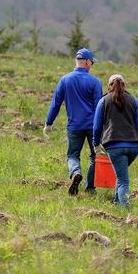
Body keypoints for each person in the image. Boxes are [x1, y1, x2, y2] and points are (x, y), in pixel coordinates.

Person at [44, 48, 103, 195]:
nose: (92, 65)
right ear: (87, 62)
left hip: (74, 126)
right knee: (95, 156)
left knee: (72, 155)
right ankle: (90, 188)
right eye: (92, 63)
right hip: (92, 126)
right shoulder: (95, 82)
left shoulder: (65, 80)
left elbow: (56, 103)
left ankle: (75, 171)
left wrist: (48, 123)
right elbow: (99, 107)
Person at [92, 73, 138, 208]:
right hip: (134, 147)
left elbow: (96, 126)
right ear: (124, 85)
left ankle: (127, 210)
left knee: (123, 180)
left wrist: (96, 144)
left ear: (109, 86)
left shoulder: (103, 101)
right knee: (121, 175)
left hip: (114, 147)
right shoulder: (134, 101)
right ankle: (116, 205)